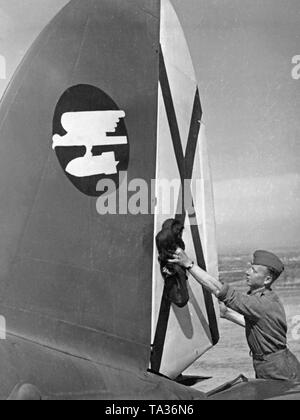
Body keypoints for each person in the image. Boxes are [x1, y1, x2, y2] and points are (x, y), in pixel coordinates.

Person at [168, 248, 300, 382]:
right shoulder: (269, 299)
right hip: (272, 364)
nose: (247, 272)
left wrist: (189, 264)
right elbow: (261, 328)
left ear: (267, 279)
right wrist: (227, 313)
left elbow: (220, 290)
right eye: (250, 268)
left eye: (254, 271)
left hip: (278, 370)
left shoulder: (261, 303)